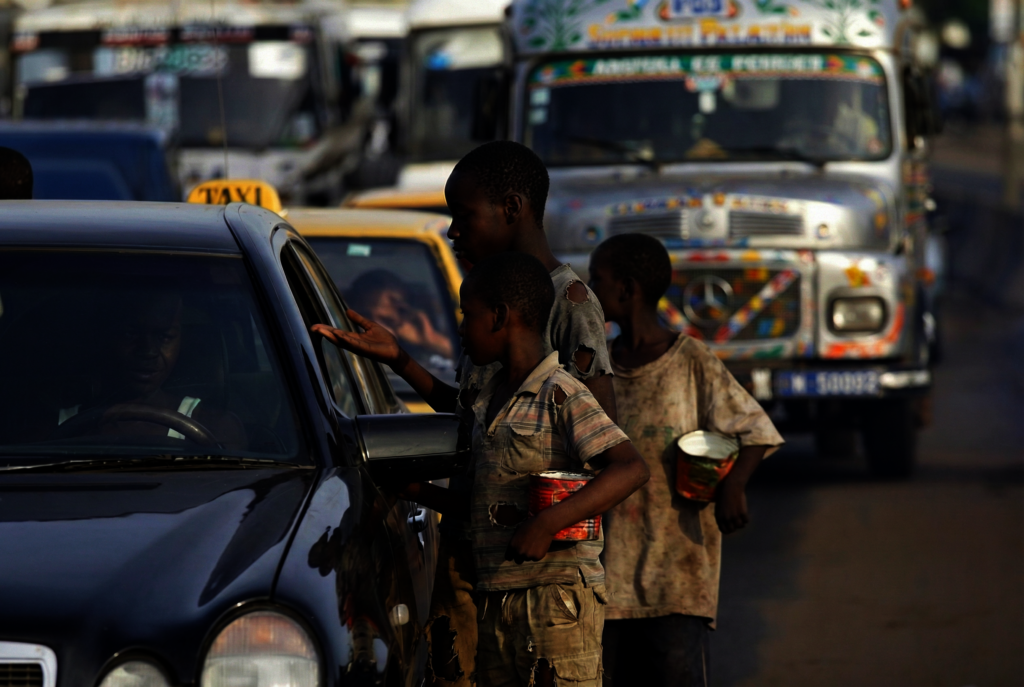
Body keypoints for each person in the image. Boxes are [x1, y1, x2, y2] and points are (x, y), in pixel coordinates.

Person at [314, 141, 615, 686]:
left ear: (513, 208)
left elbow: (600, 450)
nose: (455, 232)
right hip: (475, 547)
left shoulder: (566, 303)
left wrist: (544, 524)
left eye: (464, 216)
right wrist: (402, 360)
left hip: (534, 574)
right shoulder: (488, 300)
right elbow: (476, 417)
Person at [392, 252, 648, 686]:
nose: (459, 329)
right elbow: (481, 507)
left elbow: (629, 468)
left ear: (498, 317)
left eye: (465, 315)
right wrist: (416, 489)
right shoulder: (489, 399)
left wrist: (548, 523)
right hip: (496, 600)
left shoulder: (560, 392)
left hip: (554, 602)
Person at [586, 234, 784, 687]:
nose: (589, 291)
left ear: (628, 288)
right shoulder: (596, 370)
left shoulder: (691, 361)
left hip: (677, 576)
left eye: (598, 280)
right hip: (603, 577)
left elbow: (754, 430)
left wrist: (733, 485)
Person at [58, 289, 246, 450]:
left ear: (181, 340)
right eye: (130, 334)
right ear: (103, 338)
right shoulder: (53, 427)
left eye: (164, 336)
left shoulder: (215, 428)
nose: (148, 352)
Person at [346, 269, 454, 360]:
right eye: (367, 317)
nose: (378, 327)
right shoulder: (343, 350)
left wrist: (430, 339)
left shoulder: (425, 354)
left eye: (386, 320)